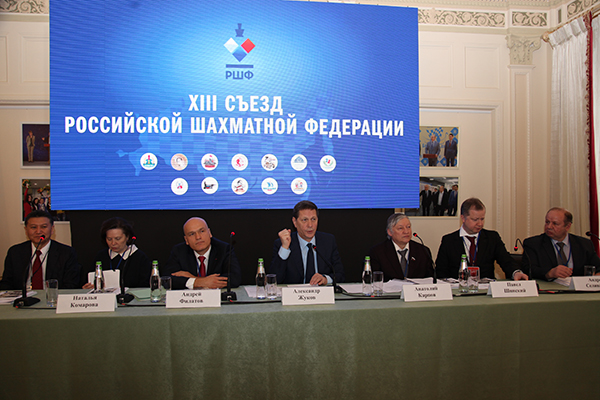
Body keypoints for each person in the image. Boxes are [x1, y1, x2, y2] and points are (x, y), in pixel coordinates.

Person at [436, 198, 528, 280]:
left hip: (485, 290)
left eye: (482, 219)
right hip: (459, 290)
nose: (480, 224)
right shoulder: (448, 241)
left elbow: (506, 260)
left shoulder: (492, 238)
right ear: (463, 218)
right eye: (475, 219)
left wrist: (516, 272)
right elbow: (441, 271)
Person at [1, 210, 80, 290]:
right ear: (26, 230)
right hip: (24, 296)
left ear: (52, 229)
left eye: (43, 227)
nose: (38, 231)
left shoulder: (66, 253)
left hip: (52, 296)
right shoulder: (15, 252)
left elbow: (71, 285)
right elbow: (6, 283)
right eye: (33, 227)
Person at [270, 200, 344, 285]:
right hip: (294, 293)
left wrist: (325, 279)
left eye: (313, 219)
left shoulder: (328, 241)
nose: (310, 225)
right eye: (304, 220)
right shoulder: (283, 243)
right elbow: (274, 280)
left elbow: (340, 275)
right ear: (295, 222)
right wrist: (285, 248)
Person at [521, 207, 600, 280]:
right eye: (547, 222)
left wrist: (596, 277)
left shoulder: (584, 244)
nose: (549, 227)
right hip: (549, 287)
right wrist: (549, 273)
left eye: (555, 224)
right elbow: (528, 269)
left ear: (567, 226)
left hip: (577, 288)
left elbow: (598, 266)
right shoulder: (533, 244)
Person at [164, 217, 241, 290]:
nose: (198, 237)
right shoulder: (179, 251)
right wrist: (200, 282)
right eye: (192, 234)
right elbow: (166, 280)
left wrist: (194, 279)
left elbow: (234, 278)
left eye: (202, 231)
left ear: (209, 233)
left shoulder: (224, 249)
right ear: (186, 240)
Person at [82, 217, 151, 288]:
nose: (113, 243)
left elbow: (145, 286)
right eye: (109, 239)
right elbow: (88, 280)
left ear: (127, 237)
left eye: (118, 239)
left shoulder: (139, 257)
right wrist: (87, 287)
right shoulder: (101, 256)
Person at [369, 213, 434, 280]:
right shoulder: (377, 252)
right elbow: (374, 280)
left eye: (408, 227)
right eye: (400, 228)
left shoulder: (423, 251)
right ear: (390, 232)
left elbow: (431, 279)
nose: (406, 231)